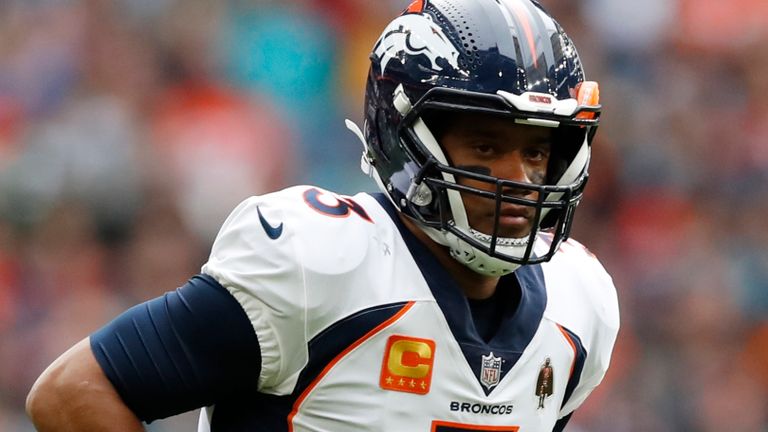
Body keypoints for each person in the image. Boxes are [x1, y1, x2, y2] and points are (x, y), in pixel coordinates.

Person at [25, 0, 619, 430]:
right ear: (404, 138)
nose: (519, 179)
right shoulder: (323, 262)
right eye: (486, 148)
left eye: (537, 151)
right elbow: (73, 394)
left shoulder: (578, 304)